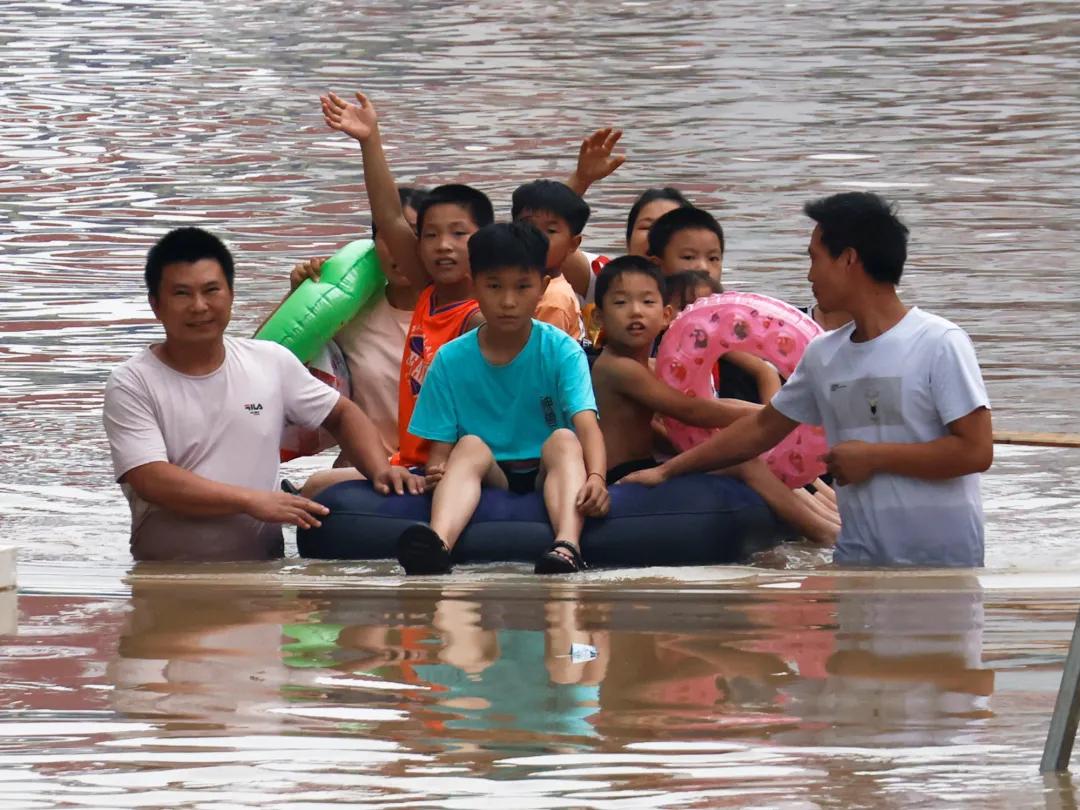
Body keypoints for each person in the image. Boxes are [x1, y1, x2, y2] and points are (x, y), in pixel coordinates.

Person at [623, 192, 993, 567]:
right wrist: (666, 471)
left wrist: (875, 458)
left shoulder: (939, 342)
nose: (810, 275)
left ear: (848, 259)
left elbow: (976, 451)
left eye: (815, 259)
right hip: (858, 560)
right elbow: (761, 429)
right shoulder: (824, 354)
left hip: (942, 566)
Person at [102, 228, 421, 562]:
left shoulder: (270, 360)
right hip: (168, 579)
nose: (199, 306)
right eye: (182, 294)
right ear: (156, 305)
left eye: (211, 290)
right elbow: (151, 479)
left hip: (265, 574)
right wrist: (251, 501)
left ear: (230, 295)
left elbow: (342, 414)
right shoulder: (132, 382)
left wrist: (379, 469)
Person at [397, 222, 609, 576]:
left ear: (541, 287)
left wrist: (598, 478)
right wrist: (437, 472)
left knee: (564, 438)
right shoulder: (450, 359)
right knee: (470, 445)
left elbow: (587, 424)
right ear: (474, 285)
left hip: (546, 468)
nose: (508, 302)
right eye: (494, 287)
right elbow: (440, 448)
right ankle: (437, 545)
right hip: (489, 471)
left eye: (522, 287)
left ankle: (567, 546)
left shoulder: (561, 350)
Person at [590, 256, 839, 545]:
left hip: (645, 462)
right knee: (745, 463)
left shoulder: (651, 366)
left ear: (666, 315)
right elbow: (692, 411)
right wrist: (773, 417)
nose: (635, 312)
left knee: (743, 452)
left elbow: (655, 430)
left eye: (647, 302)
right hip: (622, 475)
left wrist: (772, 417)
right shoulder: (618, 367)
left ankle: (831, 520)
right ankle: (826, 535)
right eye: (620, 303)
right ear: (599, 318)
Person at [319, 90, 492, 473]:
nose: (443, 247)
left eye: (458, 234)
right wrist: (370, 140)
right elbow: (389, 216)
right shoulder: (429, 292)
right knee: (317, 486)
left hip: (455, 467)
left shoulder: (481, 316)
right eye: (429, 236)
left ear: (483, 240)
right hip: (407, 462)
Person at [286, 186, 428, 461]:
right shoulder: (351, 312)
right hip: (363, 471)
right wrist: (299, 296)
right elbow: (272, 358)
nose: (398, 248)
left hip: (435, 471)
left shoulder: (461, 315)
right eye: (385, 236)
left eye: (410, 234)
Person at [649, 207, 781, 403]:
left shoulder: (741, 341)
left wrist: (762, 370)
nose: (703, 267)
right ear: (657, 265)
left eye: (713, 258)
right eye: (688, 257)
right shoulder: (647, 335)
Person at [511, 179, 590, 339]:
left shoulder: (552, 301)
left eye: (551, 230)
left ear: (573, 244)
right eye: (528, 226)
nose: (537, 236)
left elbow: (542, 360)